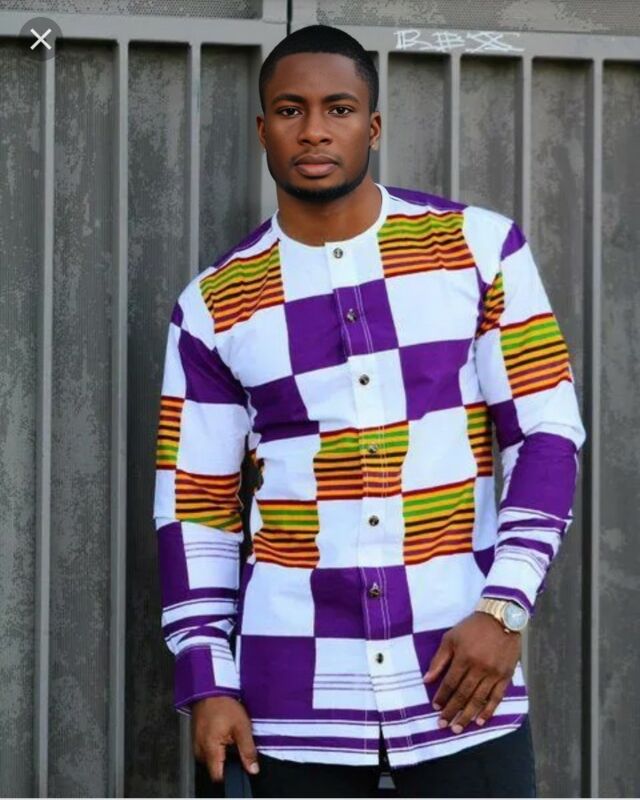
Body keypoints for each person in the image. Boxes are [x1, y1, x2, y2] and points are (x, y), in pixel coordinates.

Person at [153, 24, 586, 798]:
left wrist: (505, 609)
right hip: (290, 700)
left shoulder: (479, 250)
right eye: (291, 110)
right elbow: (196, 506)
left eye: (340, 109)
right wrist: (207, 676)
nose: (314, 130)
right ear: (262, 129)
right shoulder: (215, 305)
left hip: (461, 681)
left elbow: (546, 436)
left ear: (374, 126)